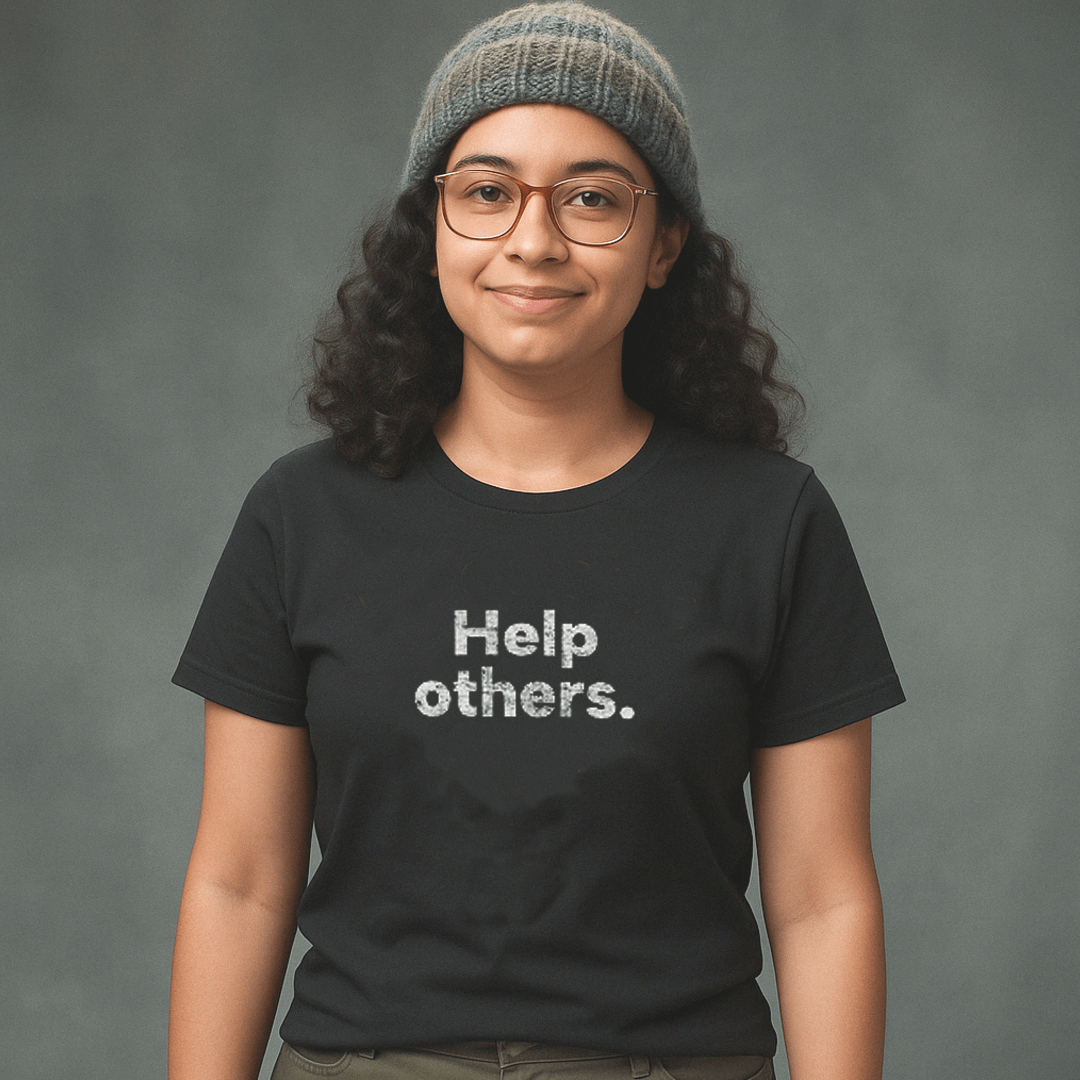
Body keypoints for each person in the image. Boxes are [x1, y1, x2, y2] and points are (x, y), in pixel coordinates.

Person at [169, 5, 905, 1080]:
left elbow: (823, 896)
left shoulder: (770, 522)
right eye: (487, 191)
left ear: (664, 247)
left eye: (594, 198)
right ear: (434, 231)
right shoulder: (301, 515)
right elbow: (238, 878)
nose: (534, 239)